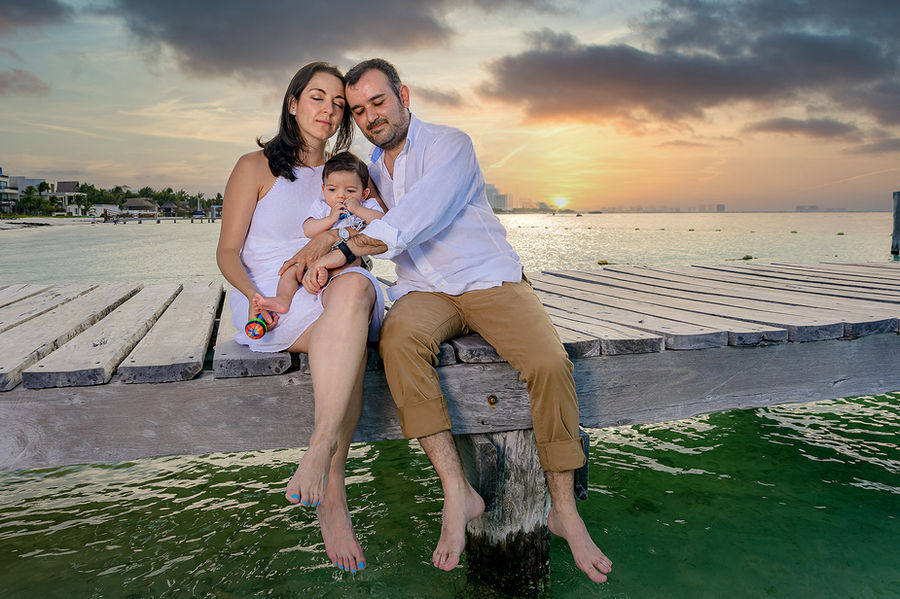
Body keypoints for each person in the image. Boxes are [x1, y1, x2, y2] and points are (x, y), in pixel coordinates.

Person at [283, 59, 613, 583]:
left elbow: (413, 220)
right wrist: (312, 254)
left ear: (404, 95)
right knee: (398, 343)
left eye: (379, 102)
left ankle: (564, 510)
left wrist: (341, 255)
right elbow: (348, 213)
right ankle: (457, 491)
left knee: (550, 363)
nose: (370, 116)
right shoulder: (371, 168)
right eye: (360, 109)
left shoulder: (450, 145)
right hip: (424, 291)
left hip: (490, 281)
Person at [216, 61, 385, 574]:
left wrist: (334, 247)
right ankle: (333, 493)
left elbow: (379, 233)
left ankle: (320, 452)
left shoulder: (349, 173)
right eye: (317, 97)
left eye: (338, 104)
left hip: (332, 281)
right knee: (348, 342)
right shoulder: (253, 167)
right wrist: (252, 295)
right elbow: (227, 252)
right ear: (293, 103)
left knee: (355, 290)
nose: (328, 110)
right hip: (274, 299)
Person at [253, 151, 383, 317]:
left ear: (363, 193)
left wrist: (358, 209)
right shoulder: (323, 207)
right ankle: (283, 299)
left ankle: (325, 277)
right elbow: (308, 229)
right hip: (319, 256)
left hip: (351, 255)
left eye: (350, 190)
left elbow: (382, 221)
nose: (341, 195)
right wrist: (330, 219)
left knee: (351, 267)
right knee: (291, 270)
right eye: (332, 189)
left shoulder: (367, 205)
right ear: (323, 189)